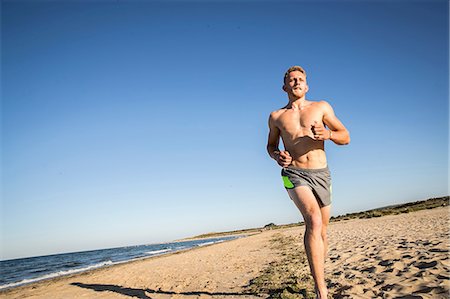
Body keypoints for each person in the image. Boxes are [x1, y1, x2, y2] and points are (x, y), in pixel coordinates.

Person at [266, 66, 350, 299]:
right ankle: (321, 290)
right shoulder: (276, 116)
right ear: (285, 87)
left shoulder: (321, 107)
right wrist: (277, 156)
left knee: (322, 232)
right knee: (312, 221)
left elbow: (345, 136)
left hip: (322, 174)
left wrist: (329, 135)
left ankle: (318, 273)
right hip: (295, 174)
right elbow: (271, 146)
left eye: (300, 79)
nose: (296, 82)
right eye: (291, 80)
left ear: (307, 85)